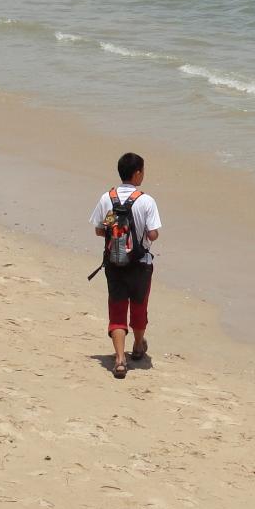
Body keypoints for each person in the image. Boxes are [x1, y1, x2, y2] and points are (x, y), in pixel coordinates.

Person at [89, 152, 162, 378]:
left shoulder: (107, 198)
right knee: (139, 308)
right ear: (137, 173)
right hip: (140, 264)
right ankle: (138, 347)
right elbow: (153, 233)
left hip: (114, 263)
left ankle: (120, 360)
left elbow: (99, 230)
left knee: (117, 310)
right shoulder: (146, 200)